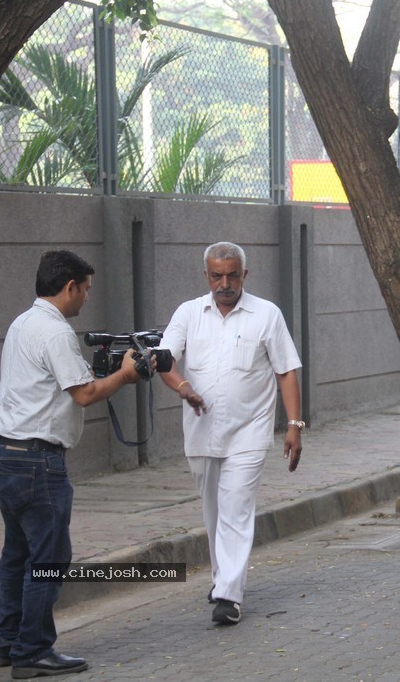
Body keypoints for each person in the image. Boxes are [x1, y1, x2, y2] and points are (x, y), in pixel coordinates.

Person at [0, 250, 146, 678]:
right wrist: (127, 374)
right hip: (37, 461)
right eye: (86, 289)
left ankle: (7, 643)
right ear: (69, 286)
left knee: (18, 554)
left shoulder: (24, 322)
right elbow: (86, 394)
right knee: (49, 558)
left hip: (6, 453)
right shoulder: (55, 333)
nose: (86, 299)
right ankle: (33, 651)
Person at [158, 242, 303, 626]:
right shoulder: (189, 313)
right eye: (217, 276)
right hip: (202, 432)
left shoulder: (266, 314)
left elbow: (286, 370)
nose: (225, 283)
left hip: (249, 433)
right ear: (206, 276)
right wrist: (182, 387)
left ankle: (228, 595)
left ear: (244, 275)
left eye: (232, 275)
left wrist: (294, 425)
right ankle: (222, 576)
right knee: (213, 512)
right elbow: (164, 359)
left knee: (236, 509)